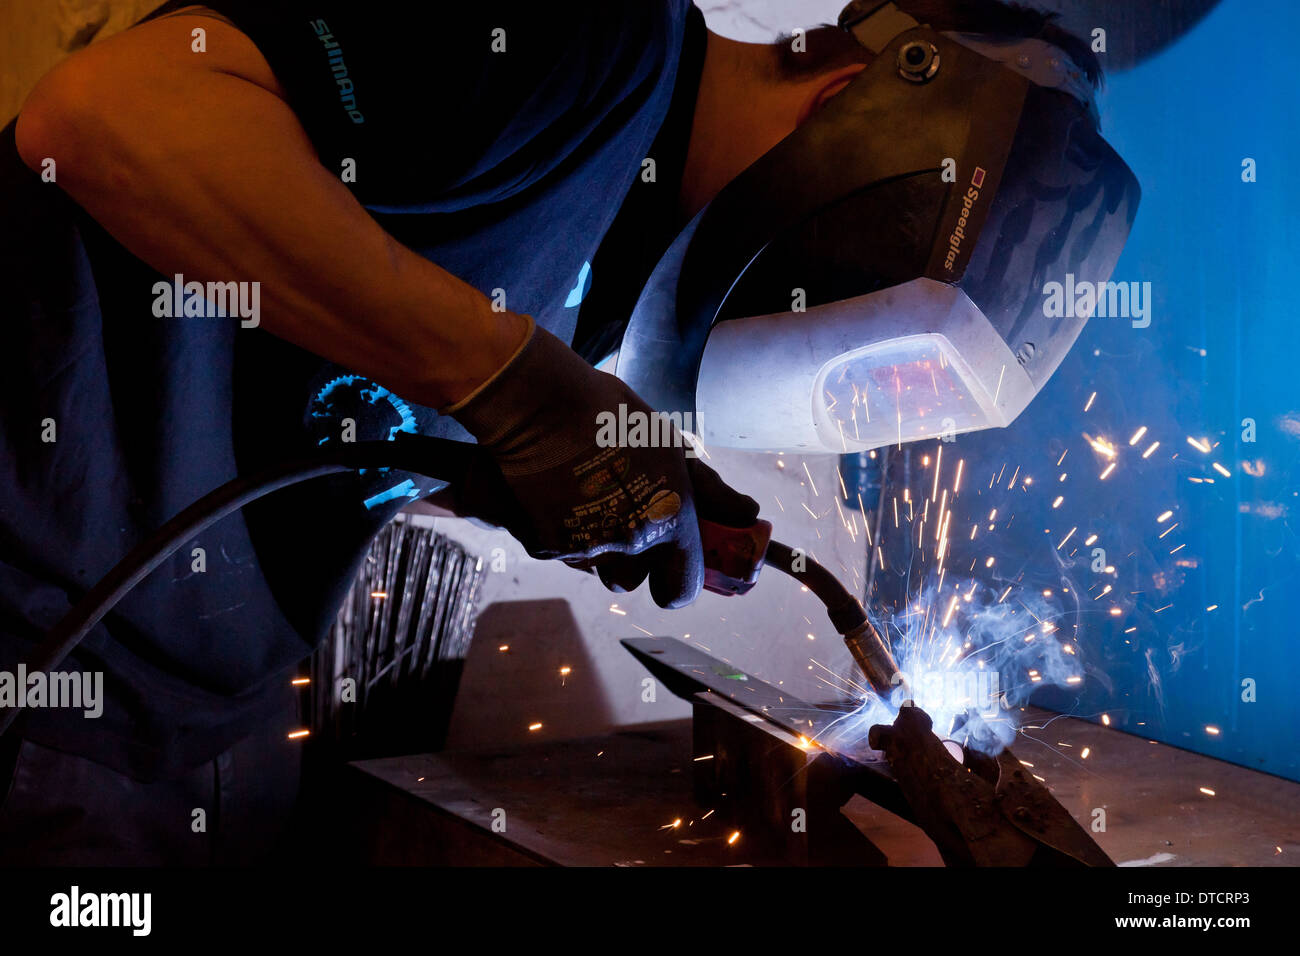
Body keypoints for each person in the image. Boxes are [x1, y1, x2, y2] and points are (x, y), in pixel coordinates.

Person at [0, 0, 1103, 863]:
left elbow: (338, 360)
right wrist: (503, 379)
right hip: (37, 651)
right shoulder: (580, 36)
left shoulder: (618, 246)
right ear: (849, 104)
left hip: (194, 723)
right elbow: (104, 116)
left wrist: (518, 468)